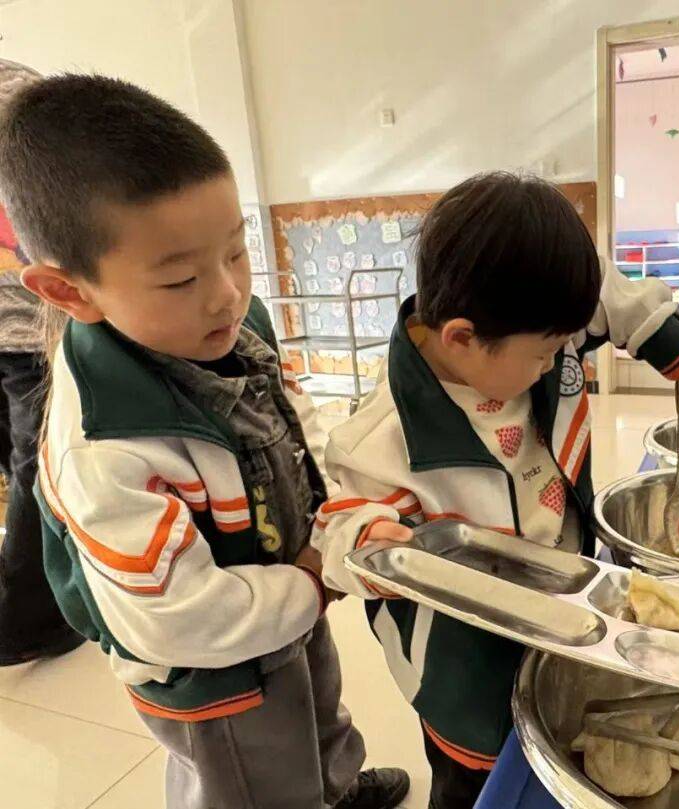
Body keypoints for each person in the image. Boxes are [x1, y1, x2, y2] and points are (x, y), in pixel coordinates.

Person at [0, 74, 409, 809]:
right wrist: (313, 581)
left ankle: (336, 787)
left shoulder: (228, 324)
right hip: (213, 671)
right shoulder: (104, 447)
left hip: (285, 594)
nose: (226, 292)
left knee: (318, 714)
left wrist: (341, 511)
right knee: (257, 779)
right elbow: (181, 617)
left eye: (236, 251)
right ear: (70, 292)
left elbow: (293, 421)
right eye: (181, 278)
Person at [315, 172, 679, 808]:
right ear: (461, 338)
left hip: (563, 608)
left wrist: (668, 340)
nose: (561, 360)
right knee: (481, 782)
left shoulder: (529, 324)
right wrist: (371, 540)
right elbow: (337, 534)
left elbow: (602, 294)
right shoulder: (382, 440)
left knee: (558, 750)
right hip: (465, 670)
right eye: (545, 353)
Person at [0, 60, 84, 666]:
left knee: (32, 465)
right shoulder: (19, 90)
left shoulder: (19, 91)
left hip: (31, 322)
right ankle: (33, 621)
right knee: (33, 466)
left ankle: (31, 616)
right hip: (26, 324)